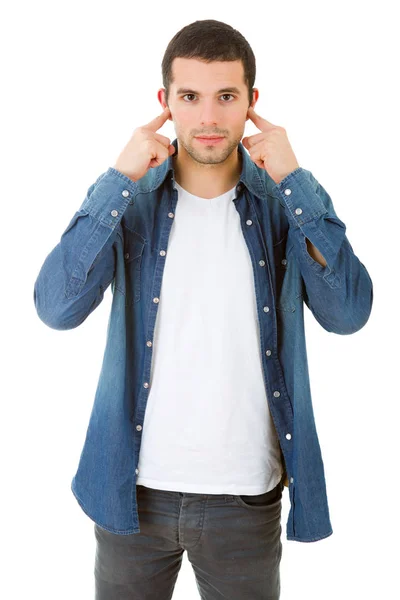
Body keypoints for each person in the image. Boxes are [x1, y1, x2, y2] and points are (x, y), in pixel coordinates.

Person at [33, 18, 373, 600]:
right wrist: (116, 180)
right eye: (190, 97)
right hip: (129, 494)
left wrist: (297, 180)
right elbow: (56, 308)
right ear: (165, 103)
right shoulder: (131, 202)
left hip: (245, 499)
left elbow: (348, 313)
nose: (209, 118)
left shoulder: (285, 204)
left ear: (251, 103)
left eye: (226, 97)